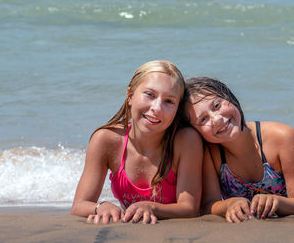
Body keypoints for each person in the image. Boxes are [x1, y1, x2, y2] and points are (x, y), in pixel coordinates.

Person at [70, 60, 203, 225]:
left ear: (177, 110)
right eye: (150, 94)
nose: (157, 108)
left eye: (169, 101)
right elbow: (79, 205)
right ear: (130, 96)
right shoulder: (106, 139)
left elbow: (190, 208)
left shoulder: (185, 141)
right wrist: (101, 207)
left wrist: (152, 207)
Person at [182, 77, 294, 223]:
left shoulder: (283, 137)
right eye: (203, 119)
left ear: (229, 97)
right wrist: (229, 204)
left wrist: (277, 202)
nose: (217, 119)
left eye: (217, 105)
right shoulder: (210, 154)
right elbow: (208, 205)